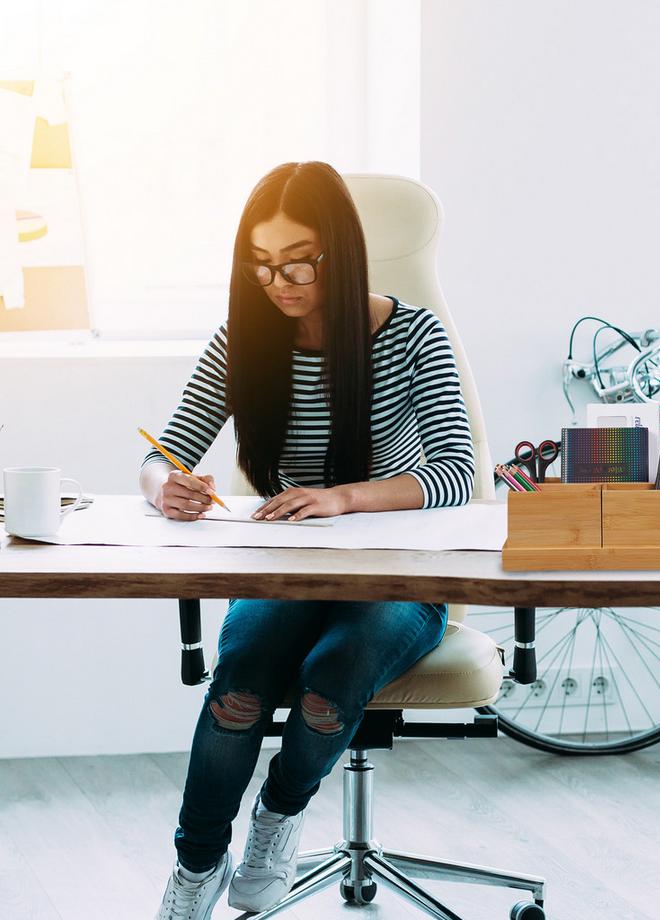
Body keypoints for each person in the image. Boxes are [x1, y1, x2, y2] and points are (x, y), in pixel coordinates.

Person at [142, 161, 475, 919]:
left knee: (332, 679)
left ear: (340, 249)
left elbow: (458, 472)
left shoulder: (414, 333)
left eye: (296, 260)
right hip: (286, 568)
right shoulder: (245, 338)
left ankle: (279, 815)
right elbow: (162, 453)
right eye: (261, 265)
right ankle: (196, 867)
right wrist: (163, 485)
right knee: (240, 688)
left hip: (397, 574)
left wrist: (343, 498)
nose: (279, 281)